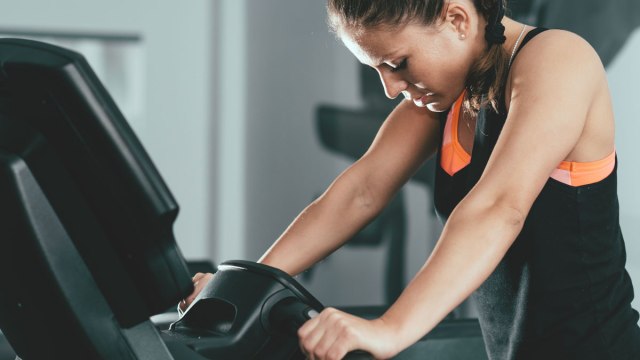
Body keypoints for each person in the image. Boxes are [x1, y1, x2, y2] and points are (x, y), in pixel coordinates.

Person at [182, 0, 640, 359]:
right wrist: (243, 285)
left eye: (398, 63)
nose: (390, 88)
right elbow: (359, 192)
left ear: (457, 18)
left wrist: (388, 329)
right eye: (378, 69)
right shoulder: (449, 98)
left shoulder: (559, 59)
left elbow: (500, 208)